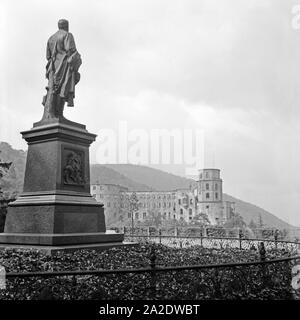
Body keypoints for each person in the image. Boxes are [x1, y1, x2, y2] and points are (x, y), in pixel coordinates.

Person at [42, 19, 82, 119]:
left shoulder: (51, 38)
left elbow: (48, 56)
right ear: (66, 26)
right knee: (63, 88)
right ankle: (58, 113)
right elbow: (71, 50)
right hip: (64, 65)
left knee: (53, 89)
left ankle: (55, 114)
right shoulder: (68, 35)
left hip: (53, 67)